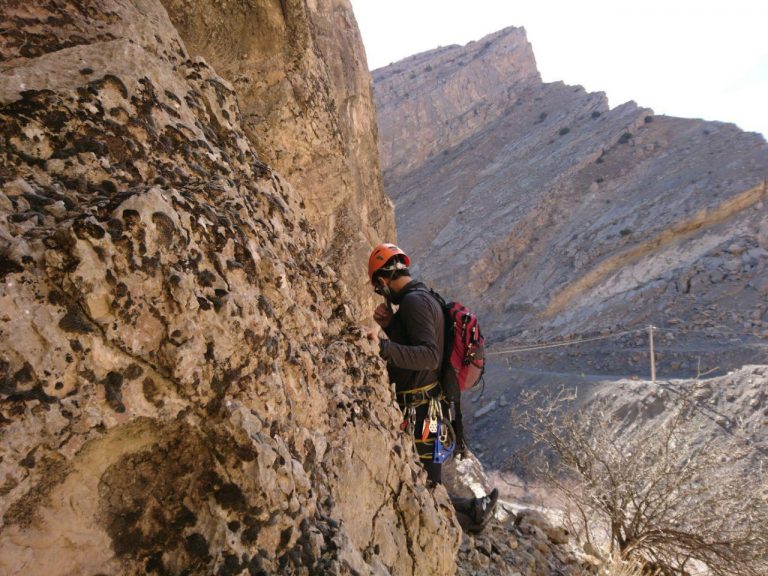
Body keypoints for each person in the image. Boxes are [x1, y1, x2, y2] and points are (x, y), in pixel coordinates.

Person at [366, 242, 498, 533]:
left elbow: (428, 355)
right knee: (428, 481)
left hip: (423, 411)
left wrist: (383, 347)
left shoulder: (414, 303)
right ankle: (472, 511)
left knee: (426, 484)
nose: (381, 293)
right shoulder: (426, 298)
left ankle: (467, 518)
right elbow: (423, 345)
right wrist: (392, 325)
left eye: (378, 287)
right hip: (429, 409)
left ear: (383, 280)